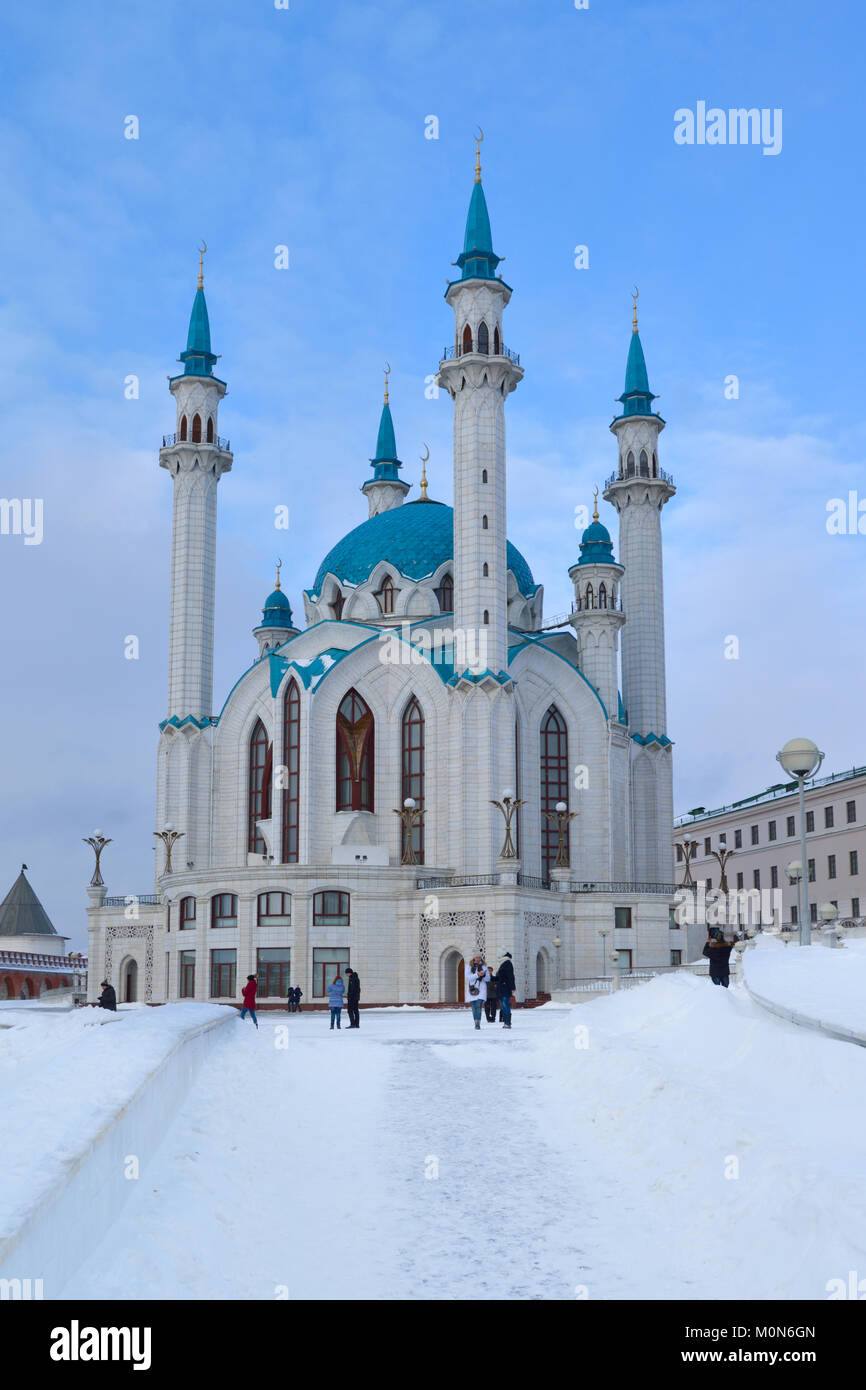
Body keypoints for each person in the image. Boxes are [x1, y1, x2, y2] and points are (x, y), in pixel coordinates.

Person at [465, 955, 491, 1030]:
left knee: (478, 1006)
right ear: (473, 958)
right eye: (476, 957)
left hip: (481, 989)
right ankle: (476, 1021)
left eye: (479, 957)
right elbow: (468, 977)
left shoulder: (484, 967)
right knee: (473, 1007)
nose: (478, 959)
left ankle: (478, 1024)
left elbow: (488, 979)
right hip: (472, 989)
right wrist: (477, 974)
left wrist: (484, 975)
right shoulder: (469, 967)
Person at [497, 951, 516, 1029]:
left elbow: (510, 976)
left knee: (505, 1004)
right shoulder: (503, 963)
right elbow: (500, 978)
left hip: (506, 988)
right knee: (503, 1005)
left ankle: (507, 1023)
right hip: (502, 988)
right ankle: (506, 1022)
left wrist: (512, 988)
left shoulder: (507, 963)